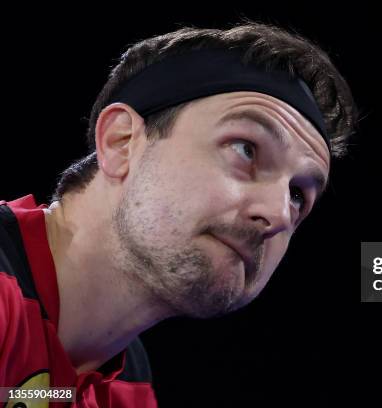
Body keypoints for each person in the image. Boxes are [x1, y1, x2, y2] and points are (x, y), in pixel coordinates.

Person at [0, 22, 356, 406]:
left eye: (298, 195)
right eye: (246, 150)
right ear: (121, 142)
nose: (279, 214)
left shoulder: (131, 390)